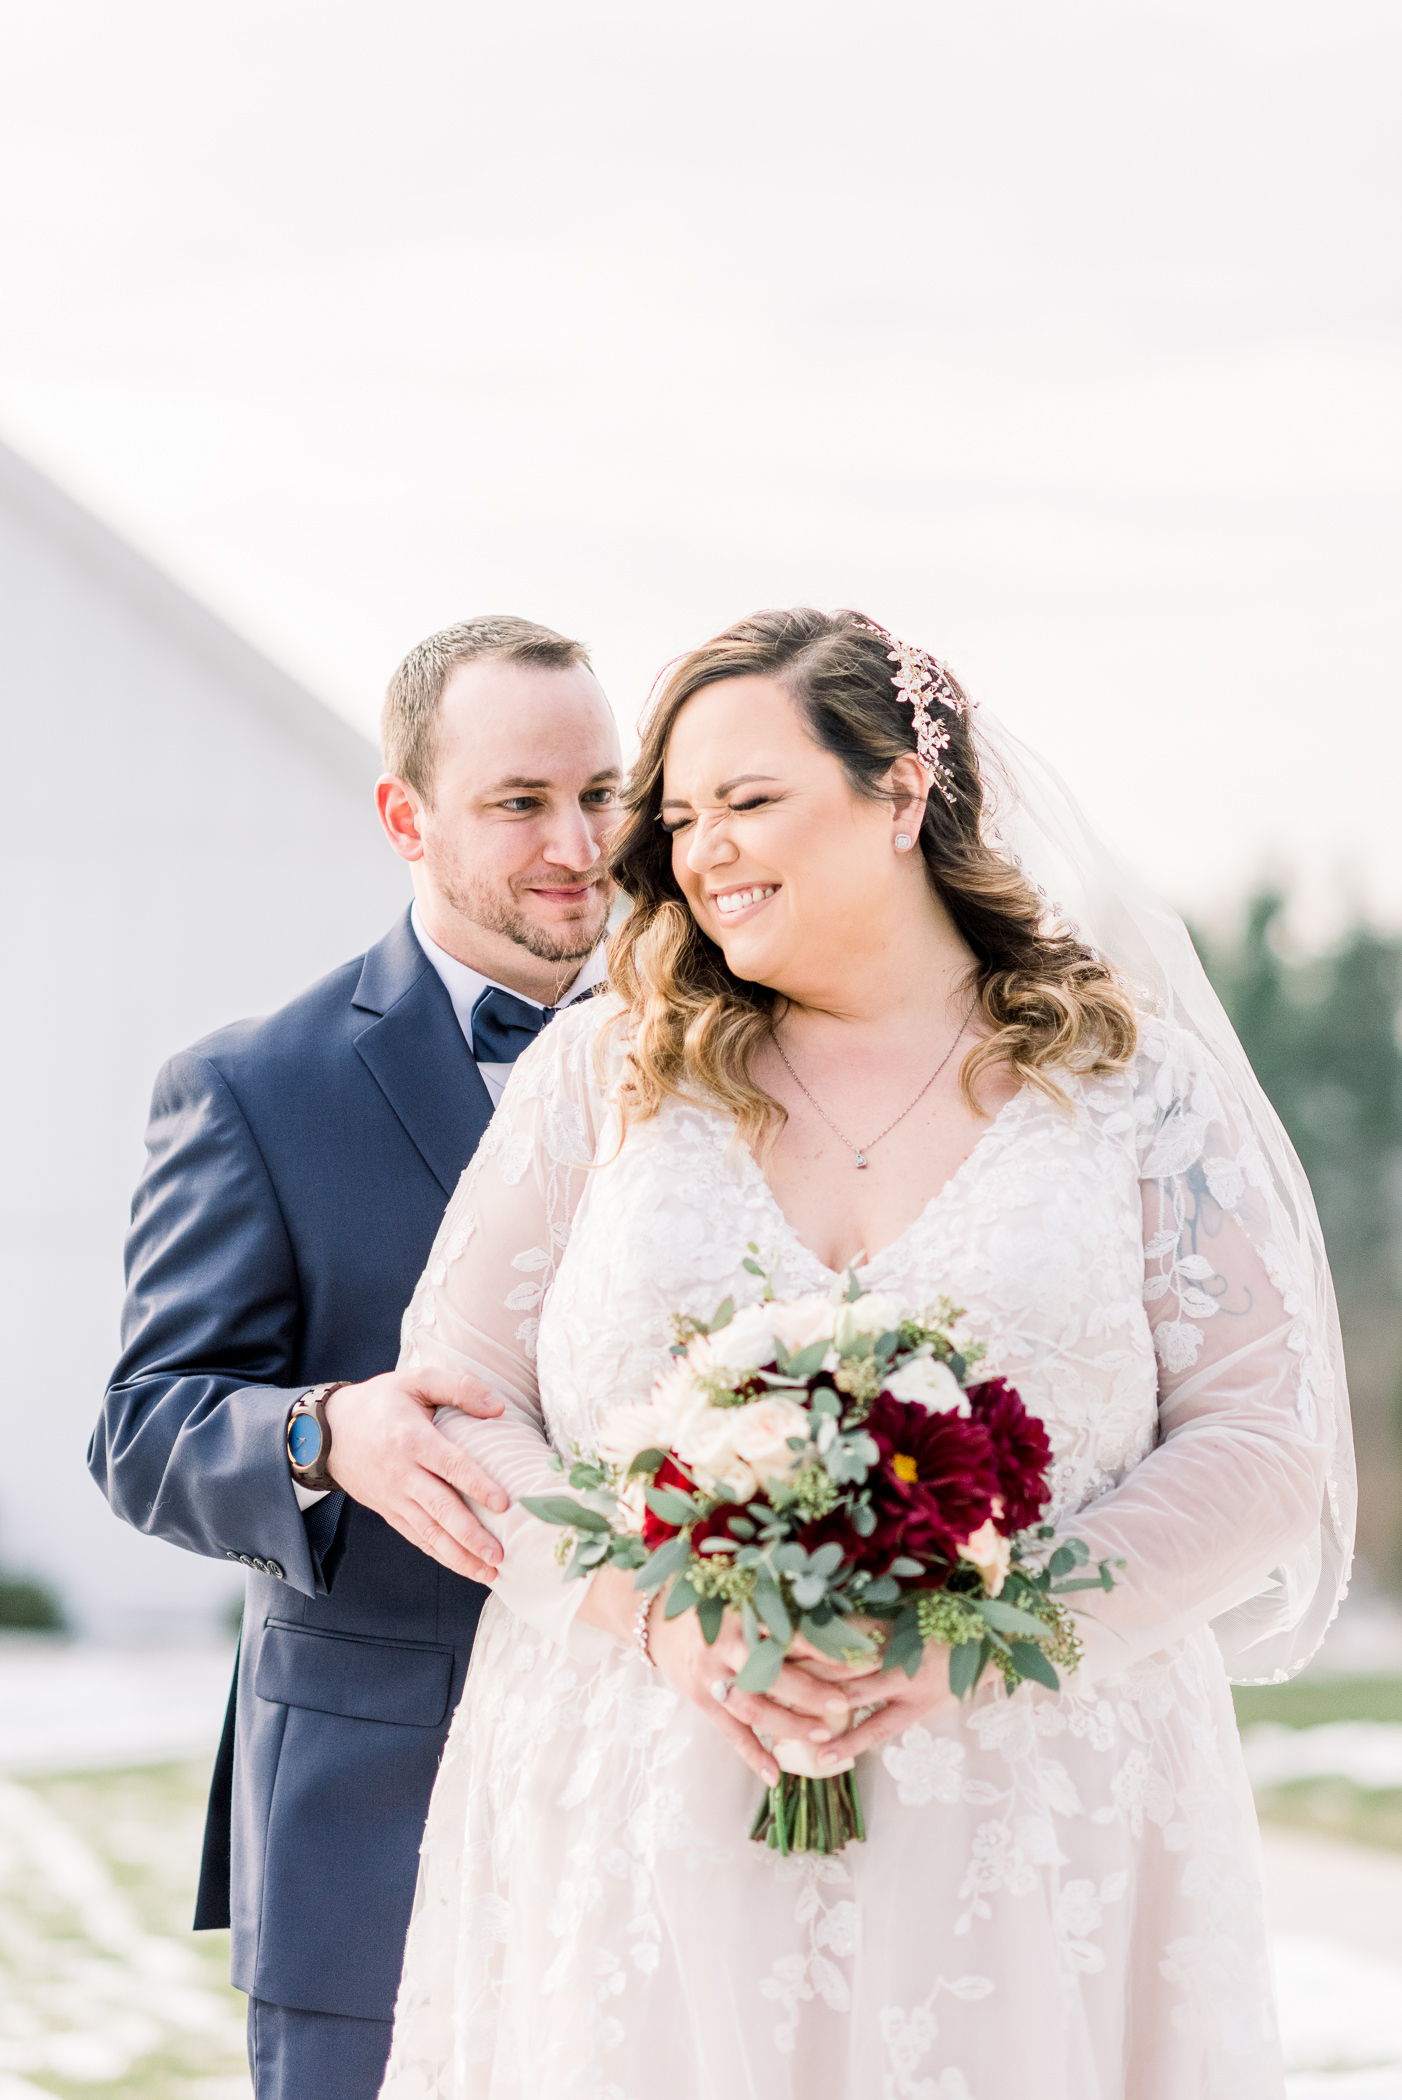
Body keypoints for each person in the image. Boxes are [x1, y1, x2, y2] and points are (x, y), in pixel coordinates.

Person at [378, 608, 1353, 2099]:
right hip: (643, 1798)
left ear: (901, 792)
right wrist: (660, 1614)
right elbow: (457, 1403)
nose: (703, 851)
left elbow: (1261, 1438)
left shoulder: (1121, 1085)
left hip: (1032, 1815)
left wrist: (986, 1635)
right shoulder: (607, 1071)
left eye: (751, 802)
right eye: (682, 817)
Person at [88, 615, 623, 2100]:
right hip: (374, 1813)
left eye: (602, 792)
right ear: (405, 816)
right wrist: (328, 1436)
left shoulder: (727, 1058)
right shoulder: (255, 1087)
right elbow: (143, 1429)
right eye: (520, 802)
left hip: (664, 1789)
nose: (578, 843)